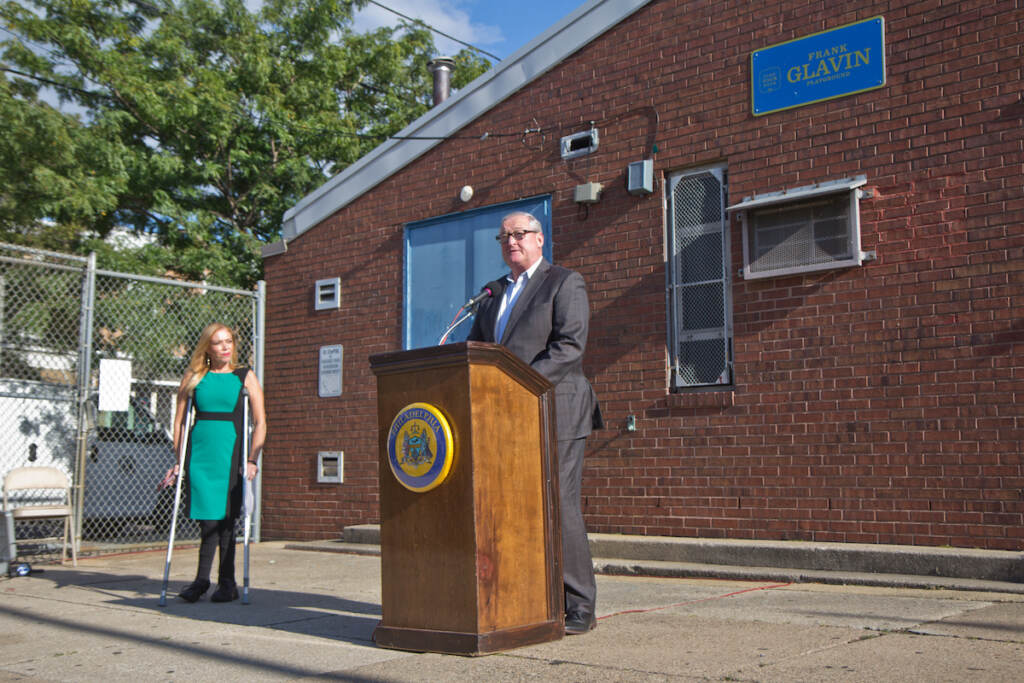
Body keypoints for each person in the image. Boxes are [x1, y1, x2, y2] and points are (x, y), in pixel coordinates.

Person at [467, 211, 603, 635]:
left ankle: (578, 604)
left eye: (520, 234)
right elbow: (475, 349)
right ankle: (530, 596)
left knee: (558, 506)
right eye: (504, 236)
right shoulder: (491, 295)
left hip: (556, 409)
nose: (512, 241)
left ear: (540, 239)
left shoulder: (564, 281)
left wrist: (518, 385)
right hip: (507, 416)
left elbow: (569, 346)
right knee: (515, 509)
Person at [166, 322, 266, 603]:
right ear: (207, 347)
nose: (225, 347)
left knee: (227, 519)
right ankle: (201, 581)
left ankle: (227, 582)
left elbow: (260, 421)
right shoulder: (195, 376)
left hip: (231, 450)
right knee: (207, 517)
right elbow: (179, 422)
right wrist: (179, 459)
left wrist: (252, 459)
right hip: (201, 452)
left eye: (229, 341)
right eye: (218, 342)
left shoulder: (244, 376)